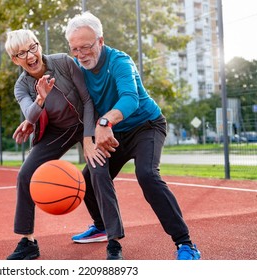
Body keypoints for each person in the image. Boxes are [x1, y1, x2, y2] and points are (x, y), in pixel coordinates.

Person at [63, 11, 201, 260]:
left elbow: (130, 98)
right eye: (75, 49)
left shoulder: (120, 62)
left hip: (145, 126)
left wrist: (105, 121)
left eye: (86, 46)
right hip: (113, 133)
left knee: (147, 175)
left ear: (101, 41)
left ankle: (185, 243)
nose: (81, 54)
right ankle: (102, 227)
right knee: (87, 180)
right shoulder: (76, 68)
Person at [4, 29, 112, 260]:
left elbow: (87, 99)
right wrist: (40, 99)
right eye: (22, 53)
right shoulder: (21, 87)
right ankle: (27, 241)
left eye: (33, 47)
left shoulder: (63, 61)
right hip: (57, 131)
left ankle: (108, 232)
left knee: (97, 169)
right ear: (15, 59)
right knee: (25, 175)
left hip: (86, 122)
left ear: (39, 45)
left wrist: (87, 136)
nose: (30, 56)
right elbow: (30, 116)